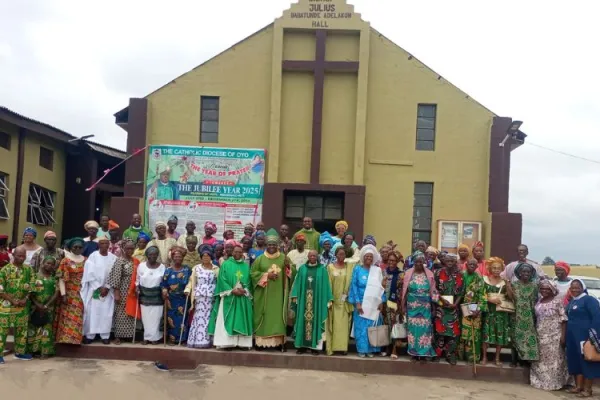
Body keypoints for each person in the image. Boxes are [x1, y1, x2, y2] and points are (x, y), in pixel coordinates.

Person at [251, 229, 296, 351]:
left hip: (279, 295)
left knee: (278, 317)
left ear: (278, 245)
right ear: (266, 245)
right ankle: (261, 343)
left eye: (274, 245)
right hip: (264, 295)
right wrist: (266, 275)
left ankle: (279, 343)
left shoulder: (283, 258)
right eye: (270, 244)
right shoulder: (260, 259)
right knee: (263, 317)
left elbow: (292, 273)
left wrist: (288, 267)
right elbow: (253, 274)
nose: (272, 247)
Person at [208, 244, 253, 350]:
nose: (238, 253)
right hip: (229, 296)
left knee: (242, 319)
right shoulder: (226, 264)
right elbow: (222, 279)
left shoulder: (246, 266)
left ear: (242, 253)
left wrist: (244, 289)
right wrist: (232, 290)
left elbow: (249, 281)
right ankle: (226, 343)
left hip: (242, 297)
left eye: (240, 252)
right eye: (236, 251)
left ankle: (243, 343)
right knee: (227, 319)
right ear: (232, 253)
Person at [290, 249, 333, 355]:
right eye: (311, 256)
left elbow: (326, 285)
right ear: (308, 257)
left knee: (316, 322)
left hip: (317, 302)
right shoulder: (302, 269)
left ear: (317, 257)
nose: (312, 257)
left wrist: (328, 298)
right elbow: (297, 283)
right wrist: (295, 295)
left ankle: (315, 348)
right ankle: (301, 346)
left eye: (314, 256)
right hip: (304, 301)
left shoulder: (322, 270)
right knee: (302, 321)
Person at [530, 280, 569, 391]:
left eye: (547, 289)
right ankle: (540, 382)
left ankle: (554, 383)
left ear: (553, 290)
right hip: (540, 333)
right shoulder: (539, 301)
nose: (544, 291)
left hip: (554, 335)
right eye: (542, 288)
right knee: (541, 359)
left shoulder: (558, 302)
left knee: (555, 360)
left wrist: (563, 336)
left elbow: (564, 319)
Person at [348, 245, 386, 358]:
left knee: (372, 326)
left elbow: (381, 287)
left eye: (371, 256)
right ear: (363, 257)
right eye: (367, 256)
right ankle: (362, 349)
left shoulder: (377, 270)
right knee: (361, 327)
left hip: (374, 304)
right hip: (361, 303)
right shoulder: (357, 269)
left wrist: (381, 302)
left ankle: (371, 349)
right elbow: (354, 286)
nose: (369, 258)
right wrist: (358, 303)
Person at [0, 247, 36, 363]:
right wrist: (12, 300)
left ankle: (20, 352)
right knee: (2, 330)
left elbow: (32, 285)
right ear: (13, 255)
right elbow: (0, 289)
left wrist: (25, 298)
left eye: (23, 256)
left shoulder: (29, 270)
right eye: (19, 255)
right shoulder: (5, 270)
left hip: (22, 305)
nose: (21, 258)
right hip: (6, 305)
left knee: (22, 330)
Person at [565, 279, 600, 397]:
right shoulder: (572, 302)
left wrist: (592, 337)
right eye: (572, 287)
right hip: (572, 337)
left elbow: (597, 318)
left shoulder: (589, 300)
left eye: (577, 287)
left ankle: (588, 389)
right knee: (575, 360)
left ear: (583, 288)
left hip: (585, 337)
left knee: (586, 362)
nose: (574, 290)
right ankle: (578, 386)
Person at [81, 234, 117, 344]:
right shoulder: (93, 256)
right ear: (98, 244)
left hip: (108, 290)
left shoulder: (113, 257)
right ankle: (90, 335)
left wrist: (106, 287)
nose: (104, 245)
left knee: (106, 313)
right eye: (102, 243)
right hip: (95, 289)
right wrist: (98, 287)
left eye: (106, 243)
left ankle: (105, 335)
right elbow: (89, 274)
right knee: (93, 312)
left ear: (109, 245)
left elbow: (115, 274)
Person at [401, 251, 437, 361]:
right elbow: (404, 291)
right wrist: (402, 306)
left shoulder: (429, 274)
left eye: (421, 262)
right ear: (413, 262)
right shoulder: (408, 273)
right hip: (412, 306)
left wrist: (434, 307)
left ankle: (424, 353)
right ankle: (414, 353)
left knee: (425, 328)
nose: (418, 264)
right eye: (416, 261)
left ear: (424, 262)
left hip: (425, 306)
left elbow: (433, 290)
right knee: (412, 329)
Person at [107, 239, 139, 344]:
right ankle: (118, 336)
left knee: (130, 313)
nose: (130, 250)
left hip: (132, 292)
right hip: (122, 291)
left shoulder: (135, 261)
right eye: (127, 248)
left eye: (132, 248)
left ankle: (128, 335)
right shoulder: (119, 261)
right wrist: (116, 293)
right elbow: (116, 277)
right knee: (120, 313)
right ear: (123, 249)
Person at [506, 263, 539, 366]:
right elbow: (511, 297)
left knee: (528, 338)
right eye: (523, 271)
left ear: (531, 273)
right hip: (516, 315)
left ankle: (525, 360)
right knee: (515, 337)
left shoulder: (534, 286)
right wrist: (507, 285)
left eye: (528, 272)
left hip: (529, 316)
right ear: (519, 273)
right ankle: (514, 360)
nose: (526, 273)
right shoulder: (514, 285)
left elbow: (535, 300)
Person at [433, 254, 464, 365]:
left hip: (453, 309)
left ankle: (450, 355)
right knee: (439, 332)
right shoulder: (438, 273)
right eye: (448, 260)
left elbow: (461, 293)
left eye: (452, 260)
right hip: (441, 307)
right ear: (444, 261)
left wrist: (455, 304)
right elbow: (433, 289)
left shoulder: (460, 274)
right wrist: (441, 299)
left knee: (453, 333)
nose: (450, 261)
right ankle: (437, 354)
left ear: (455, 261)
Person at [186, 245, 218, 349]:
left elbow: (219, 282)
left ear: (211, 257)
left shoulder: (216, 268)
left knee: (210, 318)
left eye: (208, 256)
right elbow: (192, 281)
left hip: (211, 297)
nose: (205, 258)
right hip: (200, 296)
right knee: (199, 317)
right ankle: (199, 340)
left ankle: (210, 340)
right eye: (203, 256)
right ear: (201, 257)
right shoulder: (196, 268)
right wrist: (188, 290)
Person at [55, 238, 87, 345]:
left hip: (81, 292)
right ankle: (65, 338)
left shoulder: (86, 260)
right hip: (68, 291)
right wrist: (63, 294)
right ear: (71, 247)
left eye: (80, 247)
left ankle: (76, 339)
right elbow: (61, 278)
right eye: (75, 247)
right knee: (67, 315)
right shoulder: (65, 260)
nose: (77, 249)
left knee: (77, 316)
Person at [27, 256, 59, 358]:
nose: (49, 266)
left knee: (46, 328)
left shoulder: (54, 279)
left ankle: (45, 351)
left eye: (52, 264)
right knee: (34, 327)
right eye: (47, 263)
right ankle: (33, 350)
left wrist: (46, 305)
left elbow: (56, 293)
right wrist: (37, 304)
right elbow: (30, 293)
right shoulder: (34, 277)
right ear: (42, 263)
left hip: (48, 308)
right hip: (35, 307)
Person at [481, 257, 511, 366]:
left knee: (500, 335)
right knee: (486, 335)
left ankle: (497, 358)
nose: (496, 270)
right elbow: (479, 295)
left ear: (502, 269)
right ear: (489, 268)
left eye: (499, 268)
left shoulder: (505, 281)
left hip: (501, 313)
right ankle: (484, 357)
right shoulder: (484, 280)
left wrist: (508, 284)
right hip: (488, 312)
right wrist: (489, 299)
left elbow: (511, 297)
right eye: (494, 268)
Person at [326, 246, 355, 356]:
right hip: (333, 301)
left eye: (343, 254)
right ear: (336, 255)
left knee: (343, 326)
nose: (341, 256)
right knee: (332, 325)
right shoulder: (330, 267)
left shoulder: (349, 267)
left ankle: (343, 348)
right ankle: (331, 348)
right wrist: (329, 299)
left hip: (344, 302)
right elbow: (328, 284)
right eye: (339, 254)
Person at [161, 247, 192, 345]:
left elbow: (191, 282)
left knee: (183, 319)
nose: (178, 258)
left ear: (183, 258)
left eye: (180, 256)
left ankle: (182, 339)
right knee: (171, 319)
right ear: (172, 258)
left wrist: (189, 290)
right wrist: (164, 290)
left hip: (183, 298)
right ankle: (172, 339)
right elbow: (163, 284)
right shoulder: (168, 270)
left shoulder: (187, 269)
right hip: (171, 299)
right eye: (175, 256)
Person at [136, 246, 166, 345]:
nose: (152, 256)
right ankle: (146, 337)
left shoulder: (162, 267)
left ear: (157, 255)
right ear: (147, 255)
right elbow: (137, 279)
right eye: (150, 254)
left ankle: (154, 338)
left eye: (154, 254)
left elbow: (163, 281)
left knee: (156, 317)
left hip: (157, 295)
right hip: (144, 294)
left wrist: (164, 290)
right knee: (146, 317)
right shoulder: (141, 265)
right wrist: (137, 287)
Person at [459, 258, 487, 363]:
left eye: (473, 264)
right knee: (463, 333)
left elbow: (482, 295)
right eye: (469, 264)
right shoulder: (461, 276)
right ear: (466, 265)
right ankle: (461, 356)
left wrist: (478, 309)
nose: (471, 265)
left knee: (474, 333)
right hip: (460, 309)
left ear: (476, 267)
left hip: (475, 309)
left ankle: (473, 357)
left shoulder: (479, 278)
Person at [382, 249, 404, 359]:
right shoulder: (383, 272)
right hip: (384, 304)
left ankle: (395, 349)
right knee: (386, 325)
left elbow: (402, 291)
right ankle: (387, 347)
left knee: (395, 326)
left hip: (395, 304)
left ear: (397, 262)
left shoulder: (401, 275)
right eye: (390, 260)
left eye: (394, 260)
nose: (391, 262)